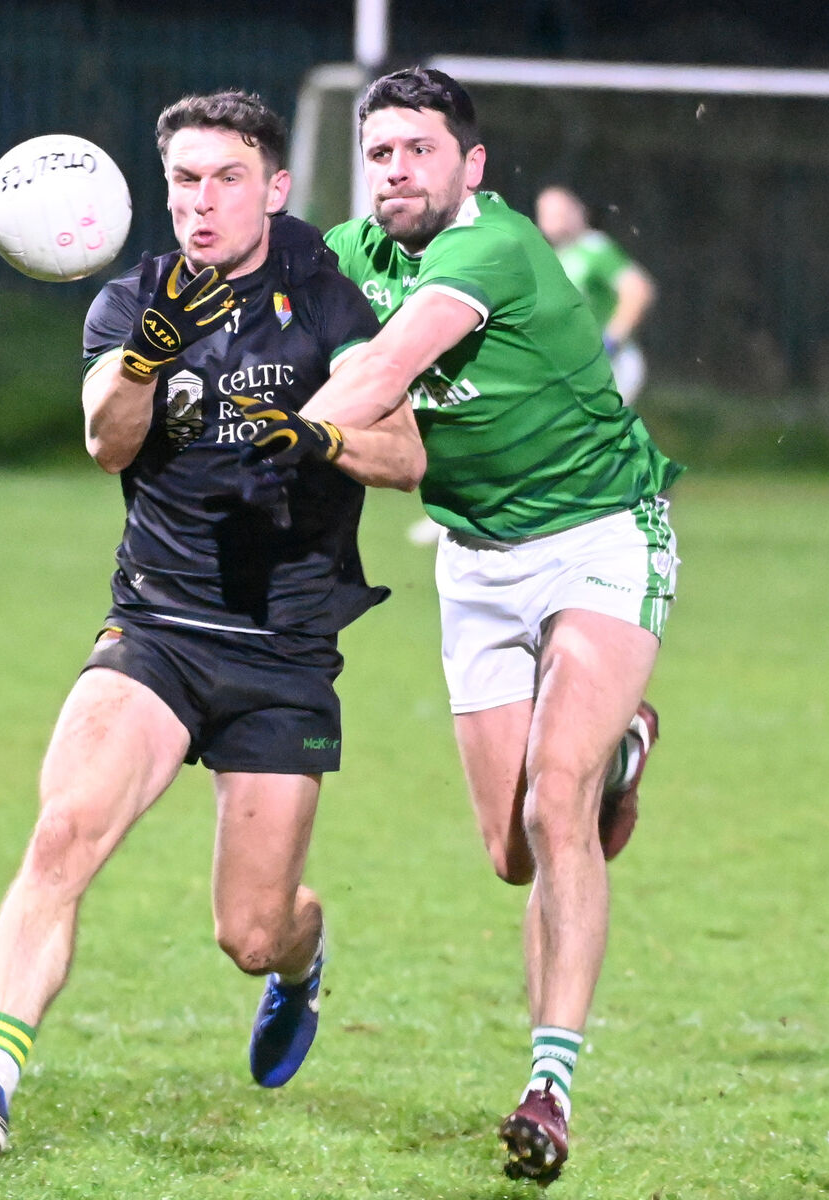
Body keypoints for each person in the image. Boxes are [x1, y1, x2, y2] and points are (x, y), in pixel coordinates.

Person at [0, 90, 425, 1164]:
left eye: (227, 178)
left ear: (274, 188)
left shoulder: (328, 297)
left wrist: (315, 437)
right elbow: (105, 441)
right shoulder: (135, 300)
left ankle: (299, 960)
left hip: (283, 652)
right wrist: (144, 359)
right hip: (157, 631)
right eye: (184, 179)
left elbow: (408, 456)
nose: (202, 201)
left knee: (249, 932)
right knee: (61, 837)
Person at [241, 67, 682, 1185]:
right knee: (510, 851)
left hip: (599, 537)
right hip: (477, 564)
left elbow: (387, 367)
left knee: (559, 801)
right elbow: (255, 293)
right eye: (380, 152)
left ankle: (550, 1084)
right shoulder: (351, 250)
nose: (397, 170)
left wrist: (284, 434)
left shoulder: (491, 248)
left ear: (469, 166)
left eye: (419, 151)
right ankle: (626, 747)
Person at [535, 185, 655, 407]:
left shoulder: (595, 249)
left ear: (578, 212)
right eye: (547, 214)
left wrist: (611, 340)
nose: (553, 221)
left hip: (610, 365)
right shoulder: (554, 258)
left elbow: (638, 290)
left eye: (560, 213)